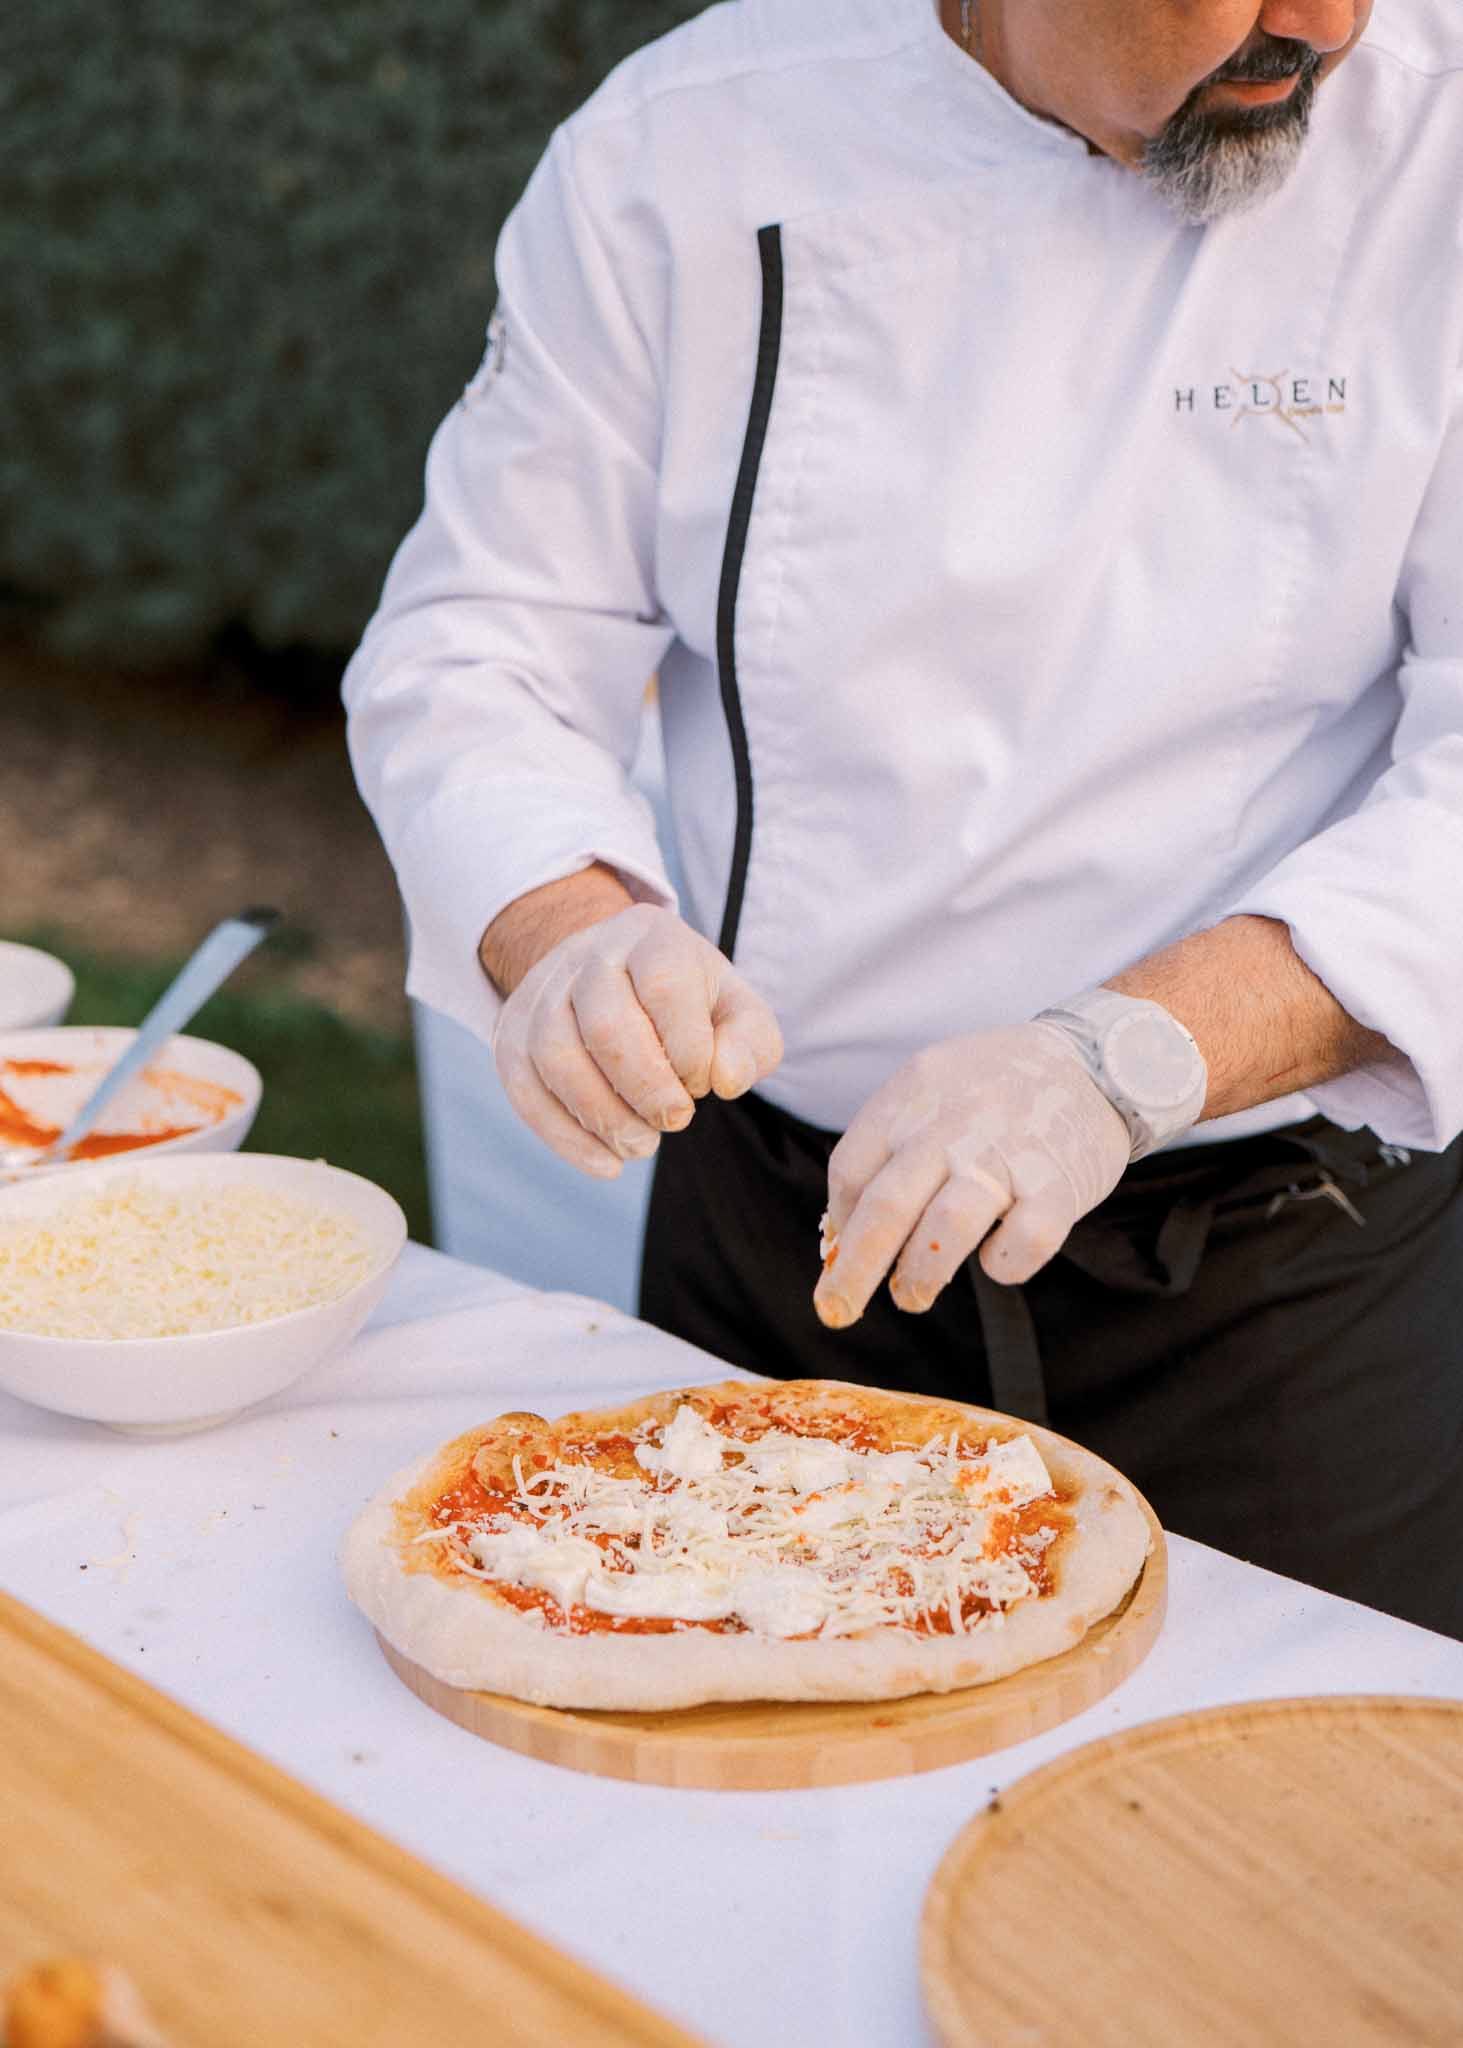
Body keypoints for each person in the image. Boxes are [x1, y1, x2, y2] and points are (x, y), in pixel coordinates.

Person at [345, 0, 1463, 1636]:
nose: (1325, 22)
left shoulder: (1438, 137)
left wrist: (1120, 1057)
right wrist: (568, 929)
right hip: (784, 1256)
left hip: (1286, 1286)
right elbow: (478, 639)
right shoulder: (685, 145)